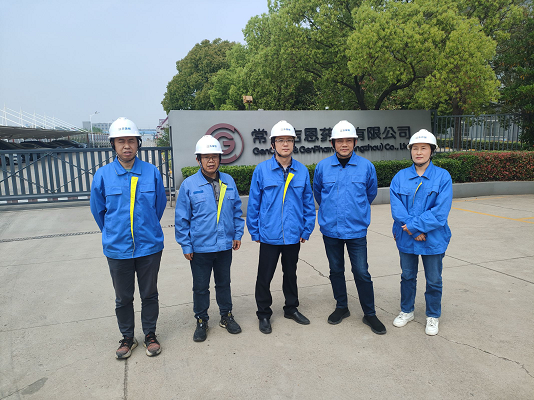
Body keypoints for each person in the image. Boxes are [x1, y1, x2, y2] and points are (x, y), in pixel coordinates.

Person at [90, 117, 167, 359]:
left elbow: (158, 206)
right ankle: (127, 337)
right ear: (113, 144)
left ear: (138, 144)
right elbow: (98, 211)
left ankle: (150, 334)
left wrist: (146, 227)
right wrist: (114, 232)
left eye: (131, 141)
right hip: (118, 248)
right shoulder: (103, 175)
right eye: (121, 141)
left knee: (149, 294)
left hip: (149, 247)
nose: (126, 146)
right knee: (123, 297)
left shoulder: (151, 172)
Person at [313, 120, 386, 335]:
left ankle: (369, 313)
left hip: (356, 230)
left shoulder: (366, 167)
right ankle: (341, 306)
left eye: (348, 140)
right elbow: (319, 194)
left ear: (354, 142)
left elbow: (370, 193)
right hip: (330, 229)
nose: (344, 144)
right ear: (333, 143)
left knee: (361, 272)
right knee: (336, 270)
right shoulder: (322, 167)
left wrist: (356, 211)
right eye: (339, 141)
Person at [247, 120, 316, 334]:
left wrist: (306, 229)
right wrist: (254, 230)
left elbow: (308, 202)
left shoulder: (302, 171)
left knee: (291, 274)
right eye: (280, 140)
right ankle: (263, 314)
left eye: (289, 140)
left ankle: (291, 308)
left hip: (293, 234)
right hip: (269, 234)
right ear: (273, 144)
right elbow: (254, 203)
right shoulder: (262, 170)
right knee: (264, 276)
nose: (285, 144)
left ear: (294, 143)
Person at [175, 135, 245, 342]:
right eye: (206, 157)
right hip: (200, 248)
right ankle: (201, 320)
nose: (211, 160)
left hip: (224, 246)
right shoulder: (189, 185)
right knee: (200, 287)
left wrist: (237, 234)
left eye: (214, 156)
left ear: (220, 159)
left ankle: (226, 316)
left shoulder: (228, 181)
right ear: (198, 159)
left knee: (224, 283)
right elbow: (182, 218)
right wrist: (186, 245)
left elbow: (237, 211)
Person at [390, 129, 453, 336]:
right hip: (406, 236)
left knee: (434, 279)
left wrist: (415, 227)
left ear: (431, 151)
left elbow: (440, 212)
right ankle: (406, 311)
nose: (419, 152)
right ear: (410, 151)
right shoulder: (400, 177)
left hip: (433, 237)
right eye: (415, 148)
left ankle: (432, 315)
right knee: (407, 276)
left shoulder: (442, 177)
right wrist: (413, 230)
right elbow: (397, 209)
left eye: (423, 148)